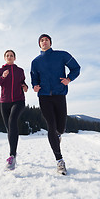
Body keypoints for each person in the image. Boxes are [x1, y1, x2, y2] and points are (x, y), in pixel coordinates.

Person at [30, 34, 80, 175]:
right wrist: (35, 86)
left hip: (59, 95)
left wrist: (69, 79)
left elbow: (76, 68)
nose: (44, 42)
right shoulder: (35, 61)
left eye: (46, 40)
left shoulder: (62, 55)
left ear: (50, 42)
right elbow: (34, 78)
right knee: (51, 126)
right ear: (39, 44)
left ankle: (58, 135)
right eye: (41, 40)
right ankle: (60, 161)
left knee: (60, 127)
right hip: (44, 97)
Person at [0, 50, 28, 170]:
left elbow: (23, 82)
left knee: (12, 122)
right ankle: (14, 153)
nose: (9, 57)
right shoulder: (0, 71)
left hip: (19, 101)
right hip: (4, 102)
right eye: (7, 56)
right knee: (9, 129)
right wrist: (2, 77)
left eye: (11, 55)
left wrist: (25, 86)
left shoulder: (20, 71)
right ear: (5, 58)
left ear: (15, 58)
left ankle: (11, 156)